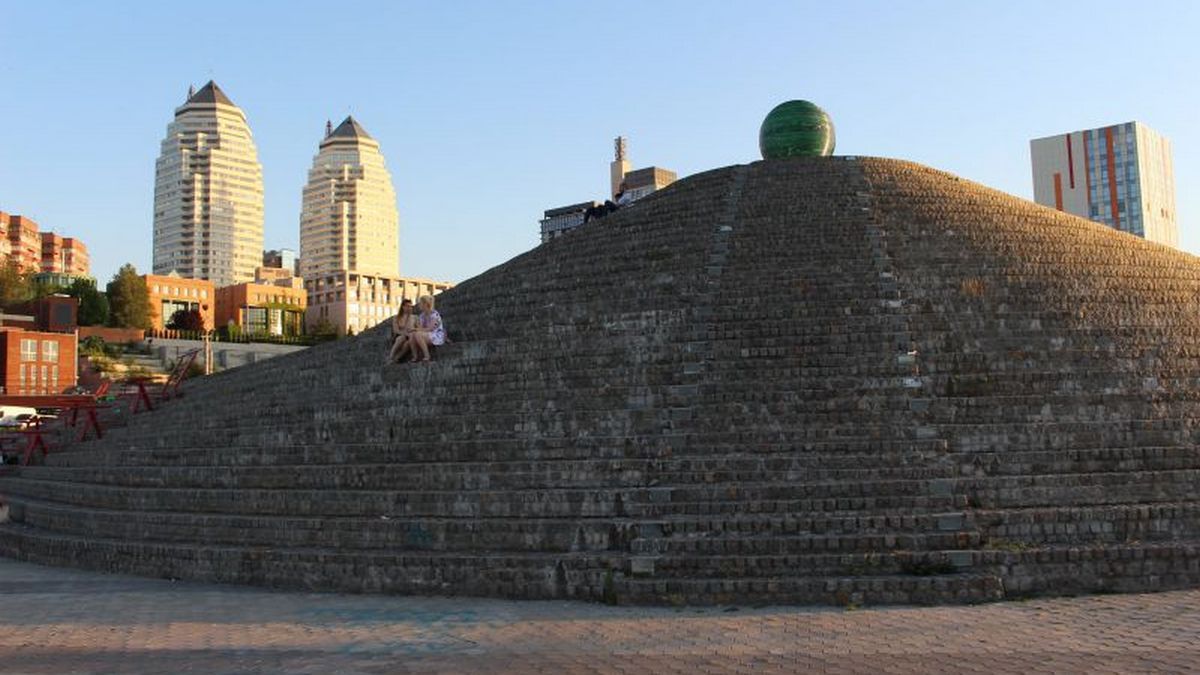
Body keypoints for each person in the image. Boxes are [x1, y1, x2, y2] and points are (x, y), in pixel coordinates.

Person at [409, 294, 445, 362]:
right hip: (426, 334)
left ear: (425, 304)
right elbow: (420, 327)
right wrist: (415, 329)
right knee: (412, 335)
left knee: (418, 334)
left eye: (420, 303)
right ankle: (415, 356)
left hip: (436, 335)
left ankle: (427, 355)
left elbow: (430, 329)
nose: (419, 305)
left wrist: (417, 329)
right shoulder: (422, 315)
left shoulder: (434, 314)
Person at [387, 299, 417, 363]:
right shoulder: (396, 318)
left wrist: (413, 330)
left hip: (411, 336)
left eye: (410, 306)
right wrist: (405, 334)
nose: (409, 308)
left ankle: (397, 358)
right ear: (403, 307)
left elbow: (418, 328)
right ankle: (391, 356)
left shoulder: (415, 317)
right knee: (401, 338)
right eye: (407, 306)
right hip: (399, 336)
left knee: (408, 343)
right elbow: (396, 330)